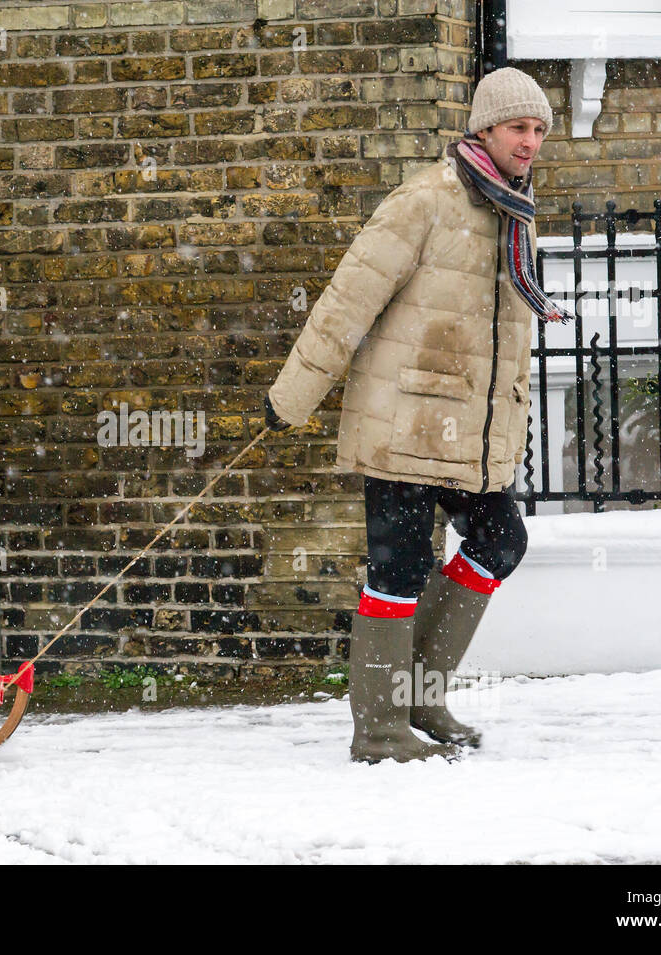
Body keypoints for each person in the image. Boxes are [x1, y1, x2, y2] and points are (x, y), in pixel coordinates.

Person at [264, 67, 571, 764]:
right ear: (485, 129)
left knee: (500, 541)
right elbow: (349, 299)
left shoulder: (515, 212)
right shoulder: (424, 201)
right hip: (403, 423)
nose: (531, 143)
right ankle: (378, 730)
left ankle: (421, 692)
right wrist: (292, 395)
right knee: (398, 566)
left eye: (539, 131)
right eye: (519, 128)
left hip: (469, 435)